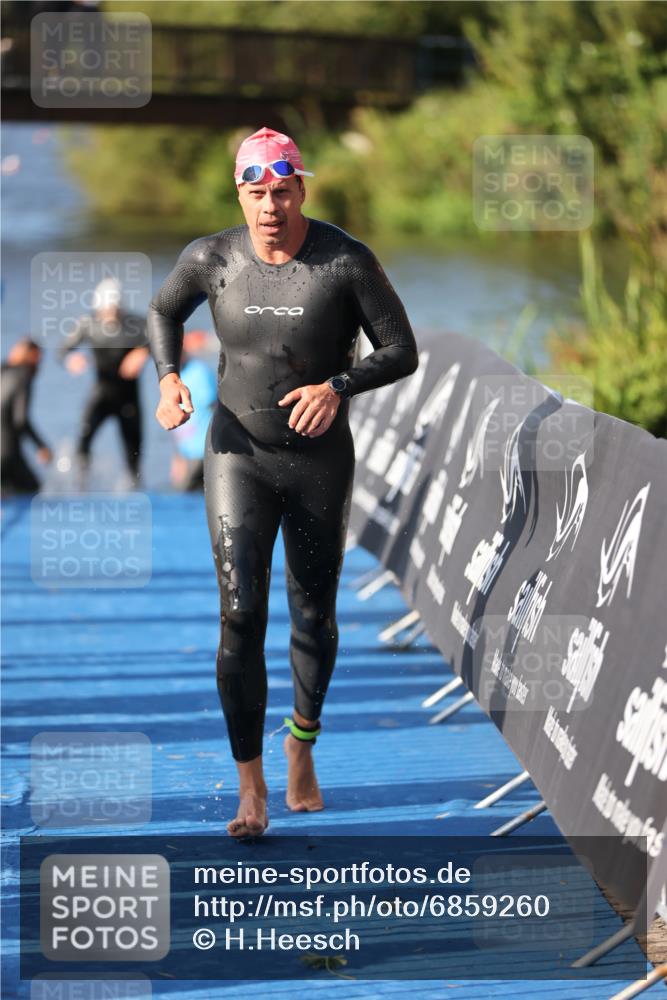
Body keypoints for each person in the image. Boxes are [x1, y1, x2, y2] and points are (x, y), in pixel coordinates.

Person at [148, 126, 419, 838]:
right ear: (239, 193)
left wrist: (338, 384)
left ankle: (301, 743)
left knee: (313, 614)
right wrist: (170, 378)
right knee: (240, 615)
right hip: (236, 453)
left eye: (281, 191)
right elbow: (161, 312)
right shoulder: (210, 258)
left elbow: (400, 350)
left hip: (317, 461)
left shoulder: (343, 261)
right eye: (255, 193)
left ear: (300, 188)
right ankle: (250, 787)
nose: (269, 206)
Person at [58, 278, 150, 487]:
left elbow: (162, 340)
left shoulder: (136, 324)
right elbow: (62, 350)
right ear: (98, 307)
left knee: (133, 451)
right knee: (83, 437)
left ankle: (135, 489)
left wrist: (143, 352)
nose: (111, 313)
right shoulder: (87, 324)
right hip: (101, 393)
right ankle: (81, 485)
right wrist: (70, 359)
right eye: (106, 309)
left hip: (129, 398)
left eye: (115, 309)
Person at [1, 337, 52, 495]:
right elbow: (20, 419)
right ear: (32, 355)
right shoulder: (24, 376)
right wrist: (40, 445)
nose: (39, 365)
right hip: (6, 453)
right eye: (39, 358)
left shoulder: (3, 371)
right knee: (31, 491)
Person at [170, 330, 217, 491]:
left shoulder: (199, 372)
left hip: (203, 450)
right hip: (187, 451)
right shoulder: (172, 380)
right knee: (184, 494)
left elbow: (215, 408)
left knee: (189, 492)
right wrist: (178, 454)